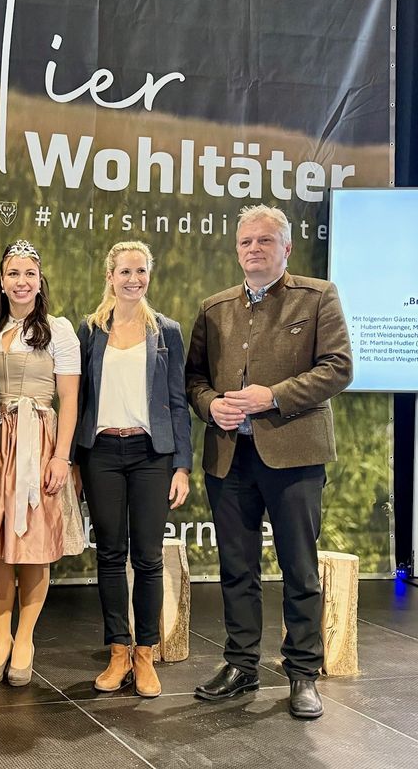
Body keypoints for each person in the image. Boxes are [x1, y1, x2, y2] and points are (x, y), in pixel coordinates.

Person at [185, 205, 352, 719]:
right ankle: (241, 666)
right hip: (230, 457)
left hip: (294, 457)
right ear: (236, 249)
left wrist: (272, 397)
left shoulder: (318, 295)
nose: (253, 249)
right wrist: (210, 404)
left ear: (286, 248)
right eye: (245, 242)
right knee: (237, 569)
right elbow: (193, 379)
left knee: (300, 568)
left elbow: (339, 368)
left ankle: (303, 673)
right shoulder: (215, 308)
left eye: (264, 241)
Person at [73, 240, 192, 698]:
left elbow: (178, 404)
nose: (133, 279)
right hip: (100, 453)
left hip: (151, 456)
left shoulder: (167, 332)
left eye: (141, 271)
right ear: (110, 276)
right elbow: (79, 399)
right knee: (108, 555)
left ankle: (145, 653)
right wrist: (73, 463)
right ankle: (117, 650)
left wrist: (181, 464)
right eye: (125, 271)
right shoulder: (90, 330)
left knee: (145, 557)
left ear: (149, 275)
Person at [0, 239, 83, 686]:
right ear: (1, 280)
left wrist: (61, 456)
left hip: (38, 440)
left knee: (33, 546)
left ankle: (26, 639)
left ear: (40, 280)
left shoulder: (59, 330)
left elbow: (70, 400)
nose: (21, 282)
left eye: (29, 274)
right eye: (13, 274)